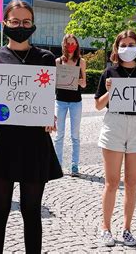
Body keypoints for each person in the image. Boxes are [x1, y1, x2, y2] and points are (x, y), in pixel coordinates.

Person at [0, 0, 63, 253]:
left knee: (31, 210)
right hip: (2, 140)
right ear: (5, 23)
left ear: (32, 24)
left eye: (25, 22)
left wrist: (49, 117)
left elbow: (46, 100)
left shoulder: (45, 58)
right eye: (15, 21)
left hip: (34, 141)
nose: (20, 26)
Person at [94, 30, 136, 247]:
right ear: (117, 48)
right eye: (124, 44)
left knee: (132, 183)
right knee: (111, 182)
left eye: (132, 44)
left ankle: (127, 228)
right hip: (114, 124)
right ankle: (105, 228)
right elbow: (98, 105)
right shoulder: (109, 73)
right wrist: (110, 92)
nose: (128, 48)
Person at [54, 34, 86, 176]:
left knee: (75, 135)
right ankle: (58, 165)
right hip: (60, 101)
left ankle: (74, 166)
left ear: (77, 45)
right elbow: (53, 82)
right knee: (59, 135)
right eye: (68, 43)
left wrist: (78, 81)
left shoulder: (81, 61)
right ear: (64, 45)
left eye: (73, 43)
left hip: (76, 102)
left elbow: (84, 84)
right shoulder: (58, 61)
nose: (71, 46)